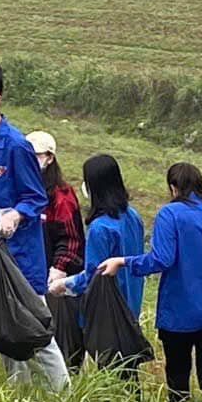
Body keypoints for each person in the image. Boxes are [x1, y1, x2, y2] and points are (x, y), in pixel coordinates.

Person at [98, 162, 202, 402]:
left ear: (173, 188)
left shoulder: (170, 214)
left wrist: (123, 261)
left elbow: (161, 259)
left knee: (178, 375)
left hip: (180, 313)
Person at [0, 57, 69, 391]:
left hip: (21, 258)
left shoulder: (16, 146)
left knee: (35, 330)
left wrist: (15, 215)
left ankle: (64, 397)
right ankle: (18, 397)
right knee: (1, 328)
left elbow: (36, 197)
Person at [48, 154, 145, 383]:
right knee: (128, 372)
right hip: (131, 303)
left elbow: (93, 276)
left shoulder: (100, 228)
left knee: (112, 373)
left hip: (107, 311)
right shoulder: (133, 216)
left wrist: (64, 284)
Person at [27, 130, 85, 371]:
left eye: (36, 155)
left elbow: (71, 238)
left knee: (61, 333)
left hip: (56, 278)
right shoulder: (25, 188)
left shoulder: (61, 196)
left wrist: (59, 267)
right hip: (30, 268)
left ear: (49, 158)